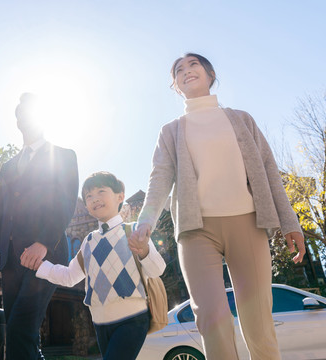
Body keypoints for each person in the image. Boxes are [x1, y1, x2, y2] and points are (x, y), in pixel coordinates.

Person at [131, 53, 306, 360]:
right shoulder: (170, 131)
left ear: (210, 74)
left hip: (248, 224)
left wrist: (290, 222)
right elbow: (160, 177)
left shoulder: (241, 119)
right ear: (175, 86)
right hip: (197, 233)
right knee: (212, 319)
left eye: (193, 65)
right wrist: (146, 220)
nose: (187, 71)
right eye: (179, 70)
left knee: (259, 320)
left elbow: (269, 170)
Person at [0, 93, 79, 360]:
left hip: (45, 257)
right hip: (10, 263)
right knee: (20, 334)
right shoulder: (8, 167)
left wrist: (43, 242)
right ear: (18, 121)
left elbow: (65, 205)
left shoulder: (64, 156)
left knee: (21, 327)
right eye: (22, 115)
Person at [27, 171, 166, 360]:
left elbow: (158, 270)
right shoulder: (88, 241)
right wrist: (40, 266)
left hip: (132, 319)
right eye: (89, 196)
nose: (94, 199)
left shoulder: (133, 230)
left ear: (120, 197)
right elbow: (70, 276)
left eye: (101, 191)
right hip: (100, 323)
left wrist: (144, 251)